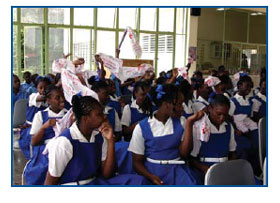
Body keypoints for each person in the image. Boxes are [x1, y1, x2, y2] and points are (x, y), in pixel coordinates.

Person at [44, 95, 148, 185]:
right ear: (85, 119)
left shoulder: (98, 137)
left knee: (139, 181)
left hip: (95, 183)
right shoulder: (65, 142)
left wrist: (110, 140)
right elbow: (50, 182)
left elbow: (107, 174)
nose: (104, 117)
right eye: (99, 115)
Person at [128, 84, 200, 185]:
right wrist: (151, 177)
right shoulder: (141, 127)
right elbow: (137, 162)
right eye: (179, 104)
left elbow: (184, 154)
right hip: (152, 172)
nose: (182, 108)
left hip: (177, 169)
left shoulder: (182, 122)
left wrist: (189, 124)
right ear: (167, 104)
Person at [24, 85, 67, 185]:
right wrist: (44, 127)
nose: (62, 100)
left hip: (64, 149)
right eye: (57, 98)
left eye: (62, 97)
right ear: (48, 101)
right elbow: (34, 142)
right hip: (45, 151)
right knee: (43, 170)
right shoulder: (40, 115)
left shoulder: (68, 114)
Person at [189, 94, 237, 183]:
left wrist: (229, 167)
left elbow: (232, 152)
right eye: (218, 114)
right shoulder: (200, 127)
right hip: (205, 169)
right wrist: (205, 169)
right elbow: (192, 158)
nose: (221, 118)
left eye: (225, 115)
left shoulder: (228, 127)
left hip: (224, 167)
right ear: (210, 109)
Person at [229, 75, 261, 176]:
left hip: (247, 128)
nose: (248, 89)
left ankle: (255, 171)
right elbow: (229, 118)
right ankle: (242, 173)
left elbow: (249, 117)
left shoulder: (249, 101)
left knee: (257, 144)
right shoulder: (233, 102)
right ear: (239, 86)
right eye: (246, 86)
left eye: (250, 87)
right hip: (237, 131)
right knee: (244, 148)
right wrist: (235, 129)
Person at [19, 76, 51, 159]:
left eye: (46, 88)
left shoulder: (50, 101)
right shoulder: (33, 97)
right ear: (36, 88)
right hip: (30, 127)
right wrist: (54, 90)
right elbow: (42, 98)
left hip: (43, 127)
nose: (43, 90)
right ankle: (34, 159)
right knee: (34, 140)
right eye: (40, 88)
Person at [88, 76, 122, 141]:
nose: (108, 97)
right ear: (95, 93)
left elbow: (118, 133)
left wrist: (111, 141)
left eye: (108, 94)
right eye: (105, 94)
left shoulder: (112, 111)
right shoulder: (88, 114)